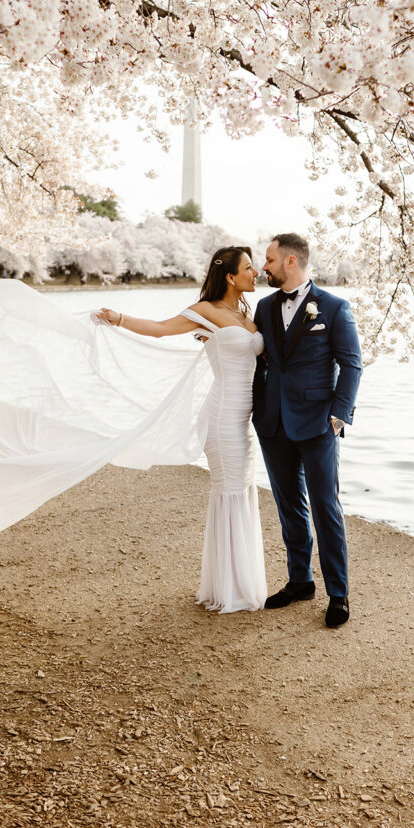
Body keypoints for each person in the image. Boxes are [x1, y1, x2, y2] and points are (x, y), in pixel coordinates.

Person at [97, 245, 267, 614]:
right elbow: (160, 330)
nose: (257, 274)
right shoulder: (206, 311)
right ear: (230, 276)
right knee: (230, 492)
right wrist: (118, 317)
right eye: (250, 268)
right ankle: (230, 589)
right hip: (222, 418)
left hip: (244, 421)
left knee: (242, 491)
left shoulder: (243, 313)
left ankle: (239, 582)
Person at [253, 233, 363, 628]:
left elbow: (352, 365)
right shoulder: (264, 308)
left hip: (319, 424)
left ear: (291, 261)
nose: (263, 266)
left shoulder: (333, 307)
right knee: (289, 508)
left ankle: (339, 592)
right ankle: (300, 581)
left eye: (268, 259)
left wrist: (339, 416)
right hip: (273, 422)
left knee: (325, 508)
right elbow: (256, 354)